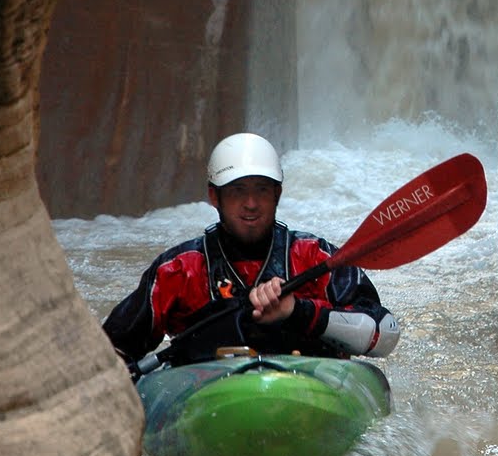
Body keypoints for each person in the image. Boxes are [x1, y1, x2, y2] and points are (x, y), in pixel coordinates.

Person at [102, 132, 399, 370]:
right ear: (213, 196)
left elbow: (384, 333)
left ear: (278, 195)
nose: (251, 203)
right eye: (237, 191)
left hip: (309, 391)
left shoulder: (314, 257)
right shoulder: (179, 270)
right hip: (208, 400)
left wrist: (298, 311)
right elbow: (111, 351)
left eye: (262, 190)